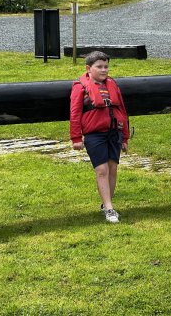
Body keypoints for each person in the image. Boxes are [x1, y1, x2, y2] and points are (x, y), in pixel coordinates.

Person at [70, 51, 130, 223]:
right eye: (99, 67)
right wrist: (75, 138)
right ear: (89, 68)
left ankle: (106, 204)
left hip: (114, 132)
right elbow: (74, 113)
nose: (104, 70)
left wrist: (125, 137)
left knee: (112, 168)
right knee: (101, 170)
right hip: (94, 134)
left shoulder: (112, 85)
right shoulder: (80, 87)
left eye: (106, 67)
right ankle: (110, 210)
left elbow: (122, 111)